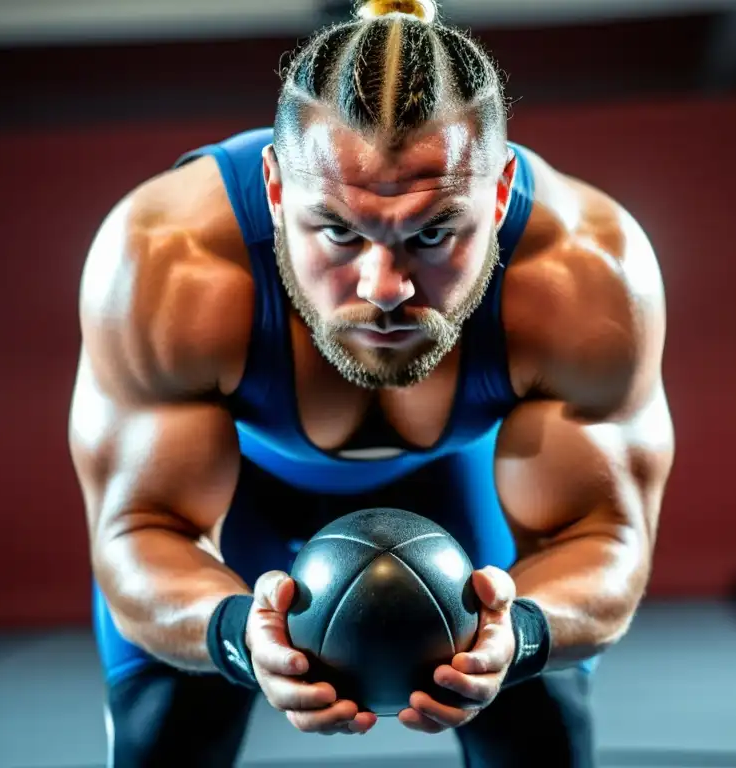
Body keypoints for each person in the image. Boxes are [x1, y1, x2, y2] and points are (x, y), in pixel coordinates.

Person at [68, 0, 675, 765]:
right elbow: (139, 530)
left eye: (431, 234)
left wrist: (515, 637)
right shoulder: (167, 264)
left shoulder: (585, 275)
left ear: (499, 192)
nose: (384, 286)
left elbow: (603, 534)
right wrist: (232, 635)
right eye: (339, 231)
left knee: (539, 739)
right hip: (231, 502)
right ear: (277, 186)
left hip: (463, 495)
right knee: (166, 745)